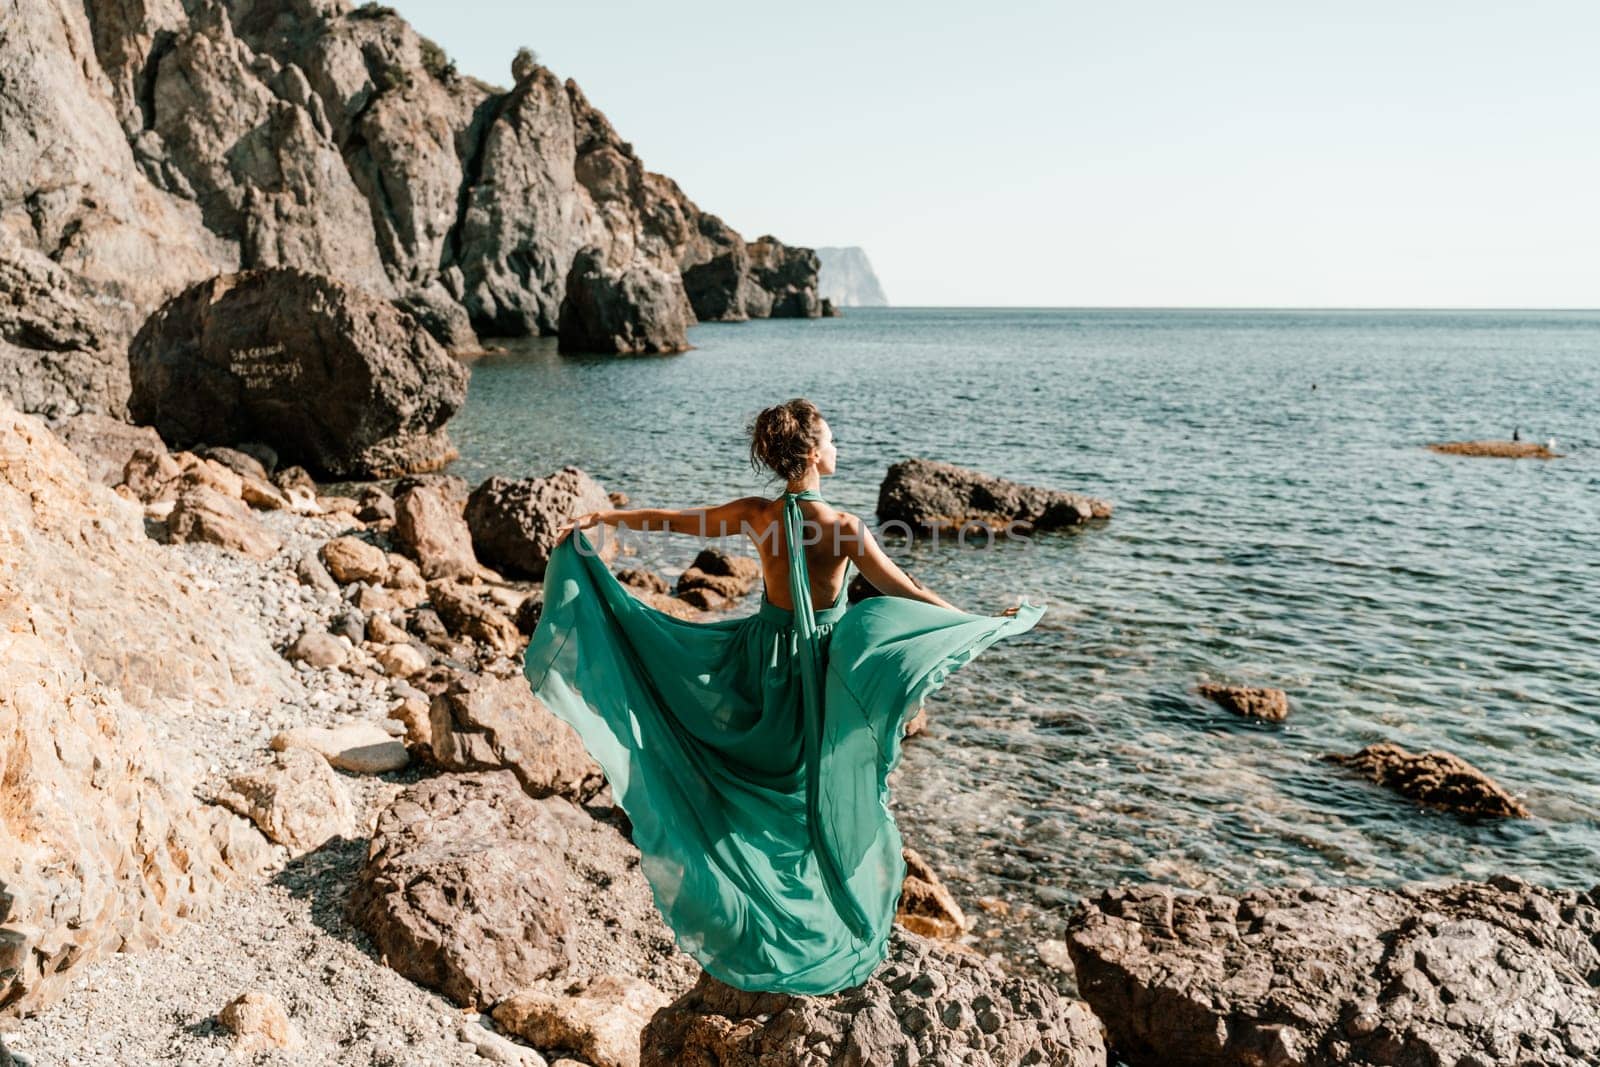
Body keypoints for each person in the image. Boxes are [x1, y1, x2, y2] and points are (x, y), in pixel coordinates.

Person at [522, 397, 1045, 995]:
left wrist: (606, 520)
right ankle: (812, 923)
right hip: (813, 672)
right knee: (808, 798)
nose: (838, 446)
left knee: (734, 776)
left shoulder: (756, 514)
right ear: (817, 452)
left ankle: (747, 917)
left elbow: (674, 520)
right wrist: (976, 619)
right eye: (833, 437)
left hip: (756, 661)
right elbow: (909, 590)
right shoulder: (845, 528)